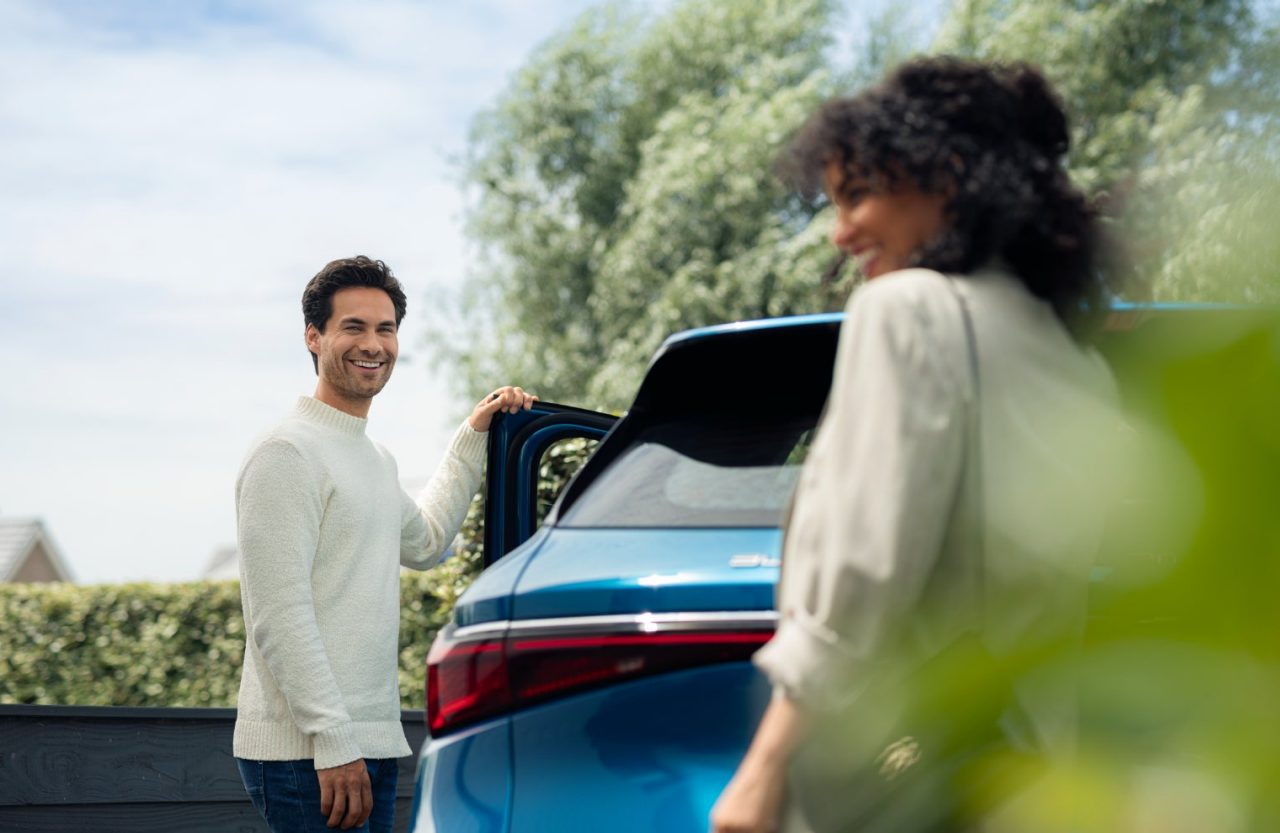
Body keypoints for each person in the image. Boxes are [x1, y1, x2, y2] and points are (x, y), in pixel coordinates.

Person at [711, 57, 1123, 833]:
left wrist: (762, 771)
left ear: (950, 176)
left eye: (858, 195)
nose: (840, 232)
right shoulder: (1076, 361)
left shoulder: (907, 311)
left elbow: (862, 577)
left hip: (894, 778)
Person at [233, 255, 536, 833]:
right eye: (354, 327)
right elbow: (277, 616)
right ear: (313, 336)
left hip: (367, 740)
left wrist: (474, 435)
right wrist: (334, 741)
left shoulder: (373, 458)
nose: (373, 344)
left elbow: (424, 543)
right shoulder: (285, 452)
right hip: (309, 753)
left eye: (386, 328)